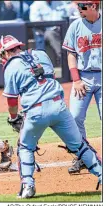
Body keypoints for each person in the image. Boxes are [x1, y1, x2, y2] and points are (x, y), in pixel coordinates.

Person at [0, 35, 102, 198]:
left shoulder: (11, 66)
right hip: (59, 106)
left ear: (6, 52)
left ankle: (28, 186)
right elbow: (47, 77)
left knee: (25, 147)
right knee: (80, 145)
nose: (3, 59)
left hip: (36, 112)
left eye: (3, 55)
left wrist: (14, 117)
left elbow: (11, 100)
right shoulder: (41, 54)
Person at [62, 1, 101, 174]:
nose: (78, 9)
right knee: (75, 117)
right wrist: (76, 80)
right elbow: (71, 54)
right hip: (83, 77)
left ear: (93, 6)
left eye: (82, 6)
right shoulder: (75, 26)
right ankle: (83, 157)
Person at [29, 1, 79, 66]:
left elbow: (72, 12)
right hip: (44, 32)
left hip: (61, 30)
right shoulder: (36, 5)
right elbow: (34, 21)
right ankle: (64, 57)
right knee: (51, 34)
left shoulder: (60, 2)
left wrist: (75, 6)